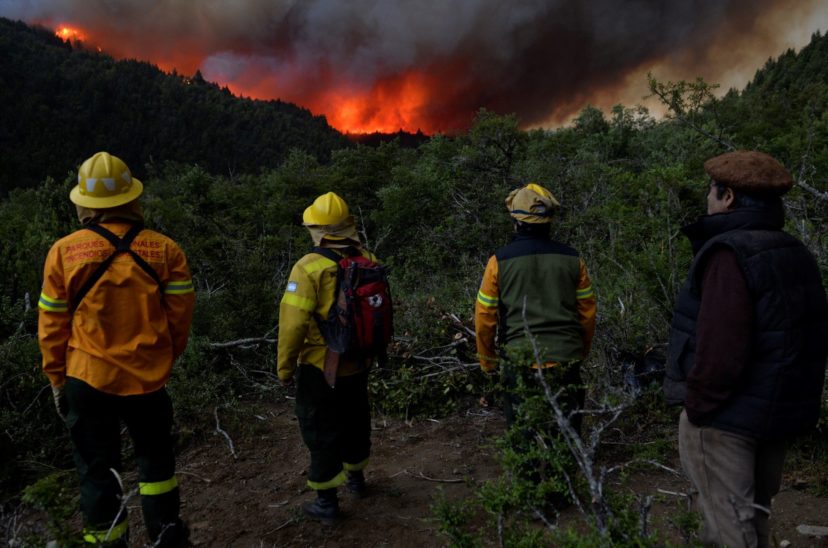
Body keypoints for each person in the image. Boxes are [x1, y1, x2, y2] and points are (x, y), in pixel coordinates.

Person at [665, 150, 828, 547]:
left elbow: (722, 349)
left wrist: (698, 408)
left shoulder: (729, 255)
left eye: (711, 190)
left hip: (725, 421)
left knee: (730, 527)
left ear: (729, 197)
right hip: (774, 415)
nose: (708, 197)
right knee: (754, 516)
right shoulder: (794, 251)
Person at [38, 152, 195, 547]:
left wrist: (57, 378)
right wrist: (164, 358)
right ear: (131, 197)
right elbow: (180, 318)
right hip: (148, 379)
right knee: (157, 463)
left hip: (87, 378)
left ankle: (108, 542)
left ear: (84, 203)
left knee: (96, 471)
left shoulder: (63, 253)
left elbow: (52, 326)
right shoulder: (166, 250)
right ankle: (166, 537)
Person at [277, 191, 381, 524]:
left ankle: (326, 502)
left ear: (318, 230)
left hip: (320, 368)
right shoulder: (369, 259)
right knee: (355, 419)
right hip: (360, 362)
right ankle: (356, 479)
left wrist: (284, 368)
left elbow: (293, 325)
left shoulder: (309, 267)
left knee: (321, 428)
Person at [474, 183, 597, 431]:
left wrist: (488, 361)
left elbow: (484, 317)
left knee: (522, 438)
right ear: (549, 220)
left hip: (520, 361)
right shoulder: (574, 259)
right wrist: (579, 351)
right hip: (566, 359)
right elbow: (587, 313)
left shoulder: (498, 262)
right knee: (567, 439)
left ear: (516, 221)